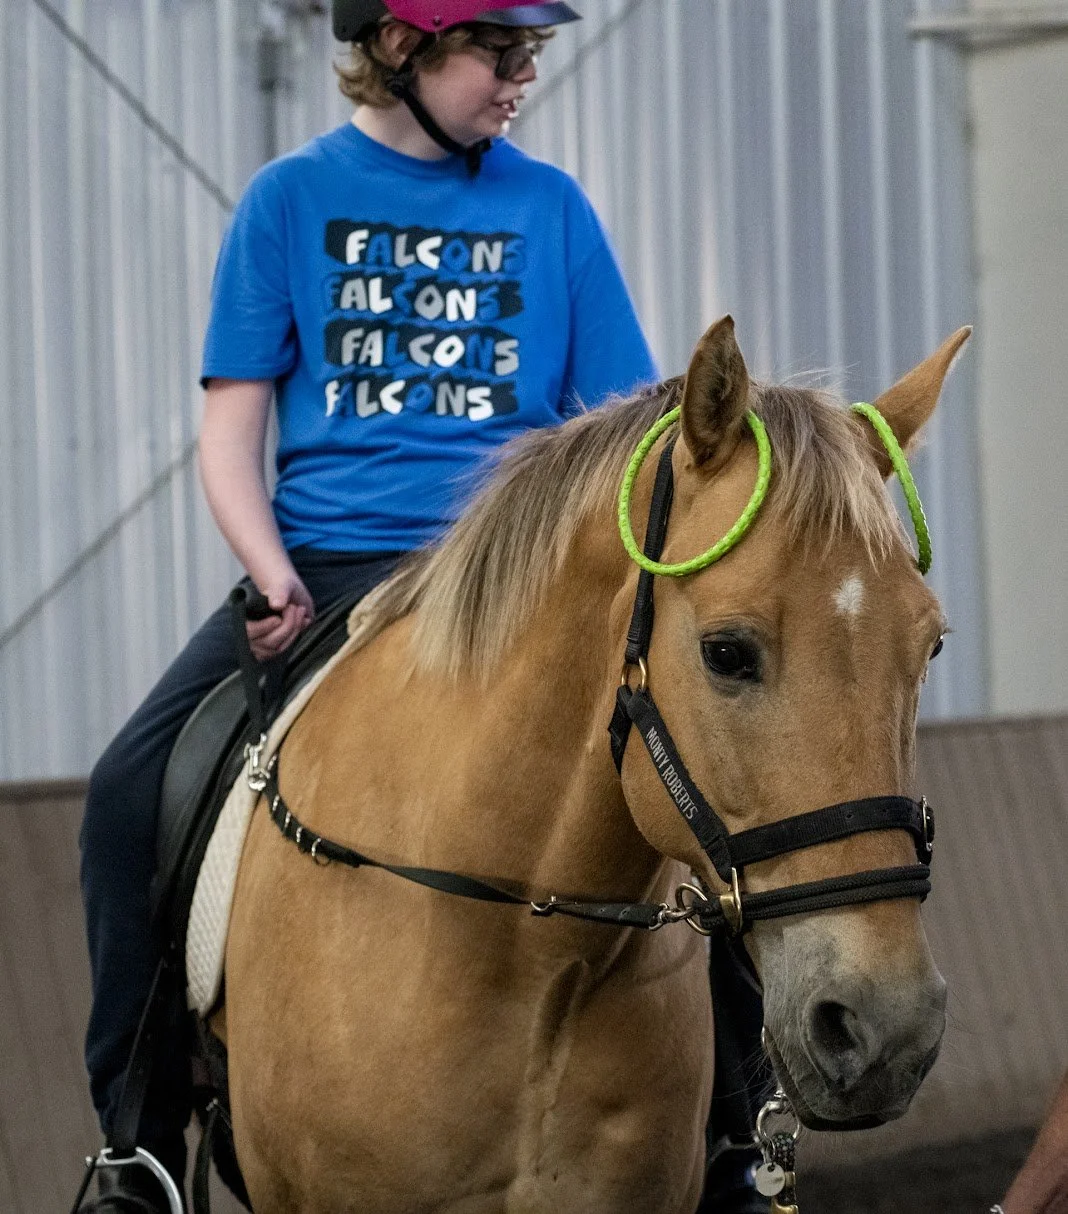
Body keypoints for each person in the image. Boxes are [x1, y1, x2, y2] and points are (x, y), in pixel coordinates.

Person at [77, 2, 661, 1210]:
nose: (520, 80)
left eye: (530, 55)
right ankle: (136, 1144)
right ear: (402, 47)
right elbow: (232, 429)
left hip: (516, 585)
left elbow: (626, 430)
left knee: (700, 784)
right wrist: (269, 564)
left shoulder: (553, 211)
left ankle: (740, 1131)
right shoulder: (288, 202)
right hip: (336, 570)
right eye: (498, 54)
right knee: (127, 794)